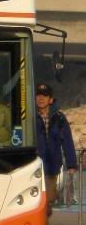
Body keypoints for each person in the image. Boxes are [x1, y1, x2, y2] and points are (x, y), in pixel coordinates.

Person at [35, 83, 77, 216]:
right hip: (33, 167)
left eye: (44, 96)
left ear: (51, 99)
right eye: (38, 95)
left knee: (48, 201)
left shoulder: (59, 118)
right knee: (34, 203)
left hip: (52, 167)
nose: (40, 98)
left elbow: (67, 142)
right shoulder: (29, 117)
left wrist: (71, 165)